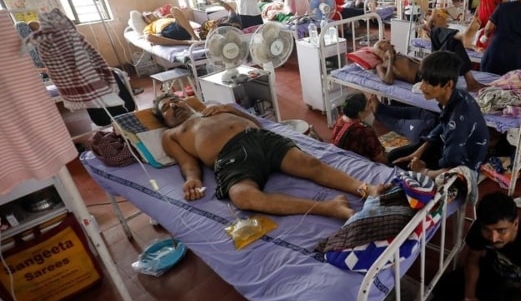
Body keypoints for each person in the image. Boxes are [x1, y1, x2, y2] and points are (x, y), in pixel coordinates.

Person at [155, 93, 386, 220]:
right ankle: (329, 207)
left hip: (260, 139)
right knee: (242, 196)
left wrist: (232, 110)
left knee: (310, 163)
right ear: (162, 119)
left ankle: (366, 189)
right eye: (166, 106)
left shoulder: (213, 108)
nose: (174, 105)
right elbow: (188, 163)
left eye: (176, 100)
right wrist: (192, 179)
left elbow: (257, 124)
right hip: (230, 157)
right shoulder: (172, 134)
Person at [382, 51, 489, 178]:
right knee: (394, 157)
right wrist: (417, 153)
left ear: (448, 84)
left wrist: (423, 171)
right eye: (423, 80)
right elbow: (442, 126)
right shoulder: (457, 95)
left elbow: (453, 171)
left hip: (461, 168)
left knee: (404, 176)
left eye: (429, 83)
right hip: (446, 147)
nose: (422, 87)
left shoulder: (459, 121)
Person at [331, 93, 388, 164]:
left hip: (338, 160)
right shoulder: (365, 130)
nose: (370, 105)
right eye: (368, 104)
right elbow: (380, 158)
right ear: (360, 113)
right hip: (355, 165)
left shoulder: (340, 119)